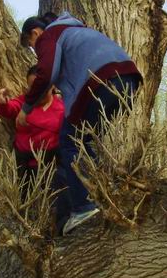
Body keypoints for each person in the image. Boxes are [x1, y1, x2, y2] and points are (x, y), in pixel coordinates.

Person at [19, 12, 141, 234]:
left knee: (69, 142)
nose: (35, 50)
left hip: (101, 81)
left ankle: (85, 207)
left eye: (31, 44)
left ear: (35, 33)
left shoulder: (50, 35)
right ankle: (104, 194)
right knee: (84, 142)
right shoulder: (79, 31)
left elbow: (45, 74)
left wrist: (26, 108)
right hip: (129, 81)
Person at [0, 65, 64, 188]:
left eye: (42, 86)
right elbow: (9, 109)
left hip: (51, 165)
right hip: (24, 164)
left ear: (52, 85)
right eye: (33, 87)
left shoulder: (62, 107)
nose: (38, 91)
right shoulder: (24, 103)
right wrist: (3, 103)